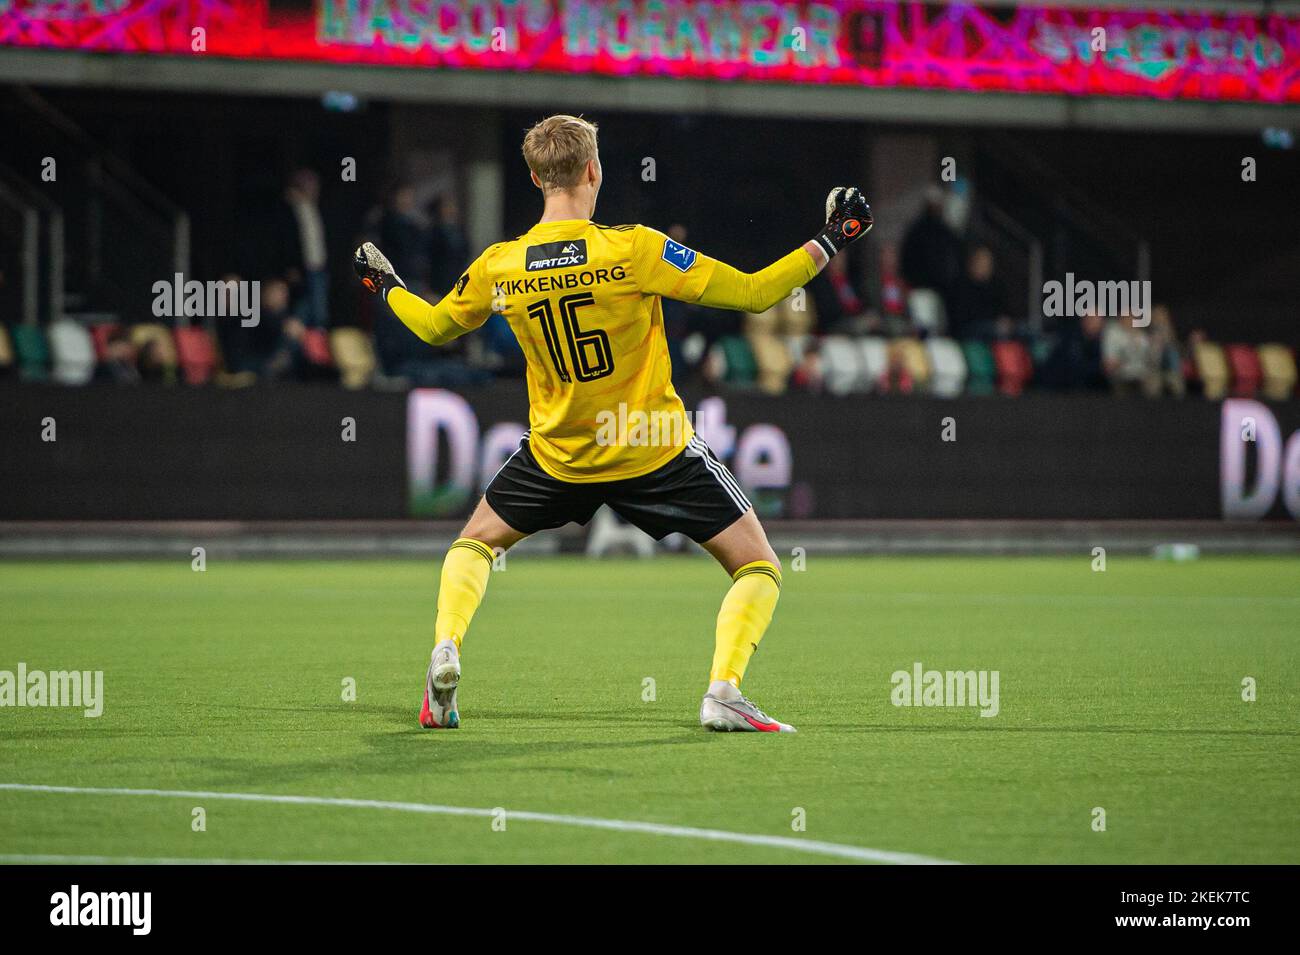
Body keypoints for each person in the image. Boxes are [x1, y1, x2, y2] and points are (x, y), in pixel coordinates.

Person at [353, 114, 873, 734]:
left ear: (534, 176)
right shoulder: (634, 250)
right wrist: (835, 235)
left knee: (474, 544)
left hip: (558, 454)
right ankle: (723, 691)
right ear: (593, 171)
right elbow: (758, 293)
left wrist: (385, 287)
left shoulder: (501, 265)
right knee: (758, 567)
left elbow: (436, 328)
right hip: (652, 449)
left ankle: (447, 647)